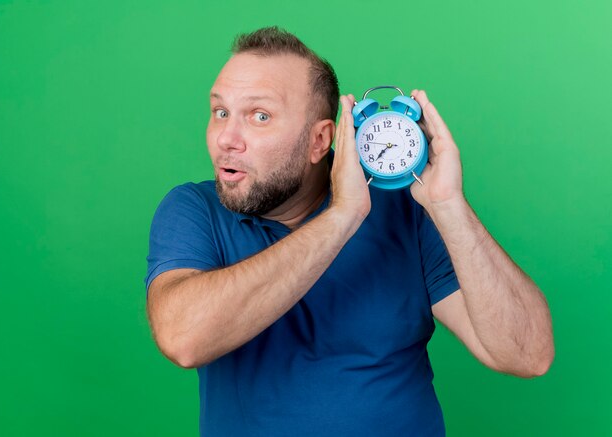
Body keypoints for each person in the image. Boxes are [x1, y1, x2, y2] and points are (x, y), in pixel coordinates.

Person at [144, 26, 554, 436]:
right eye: (220, 112)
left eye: (259, 116)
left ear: (319, 140)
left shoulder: (408, 209)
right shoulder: (194, 209)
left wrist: (449, 205)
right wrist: (343, 216)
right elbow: (185, 339)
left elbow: (527, 354)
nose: (226, 139)